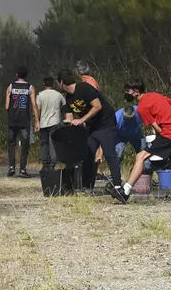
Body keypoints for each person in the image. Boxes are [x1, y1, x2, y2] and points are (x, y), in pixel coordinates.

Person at [59, 70, 128, 202]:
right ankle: (87, 186)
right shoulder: (68, 98)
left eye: (58, 82)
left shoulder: (84, 88)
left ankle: (118, 185)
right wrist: (68, 123)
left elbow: (97, 106)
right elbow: (69, 116)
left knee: (109, 153)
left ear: (61, 82)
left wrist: (82, 120)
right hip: (92, 127)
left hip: (105, 123)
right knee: (88, 154)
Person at [6, 66, 39, 177]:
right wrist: (37, 121)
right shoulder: (30, 87)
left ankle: (11, 167)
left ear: (16, 75)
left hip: (12, 120)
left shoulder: (10, 87)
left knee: (11, 144)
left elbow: (6, 106)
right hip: (24, 121)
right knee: (25, 146)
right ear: (26, 76)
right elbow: (34, 105)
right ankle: (22, 170)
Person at [37, 76, 65, 171]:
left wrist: (37, 121)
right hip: (55, 122)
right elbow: (64, 107)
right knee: (53, 144)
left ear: (44, 84)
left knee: (44, 144)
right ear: (53, 84)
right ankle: (52, 164)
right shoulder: (59, 95)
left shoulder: (40, 95)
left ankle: (45, 164)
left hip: (43, 123)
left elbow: (38, 109)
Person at [113, 98, 145, 167]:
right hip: (120, 135)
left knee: (144, 152)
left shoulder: (140, 111)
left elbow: (152, 119)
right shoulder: (116, 118)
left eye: (130, 119)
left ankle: (145, 172)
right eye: (126, 119)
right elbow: (109, 132)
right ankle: (115, 174)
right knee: (118, 153)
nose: (128, 120)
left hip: (135, 133)